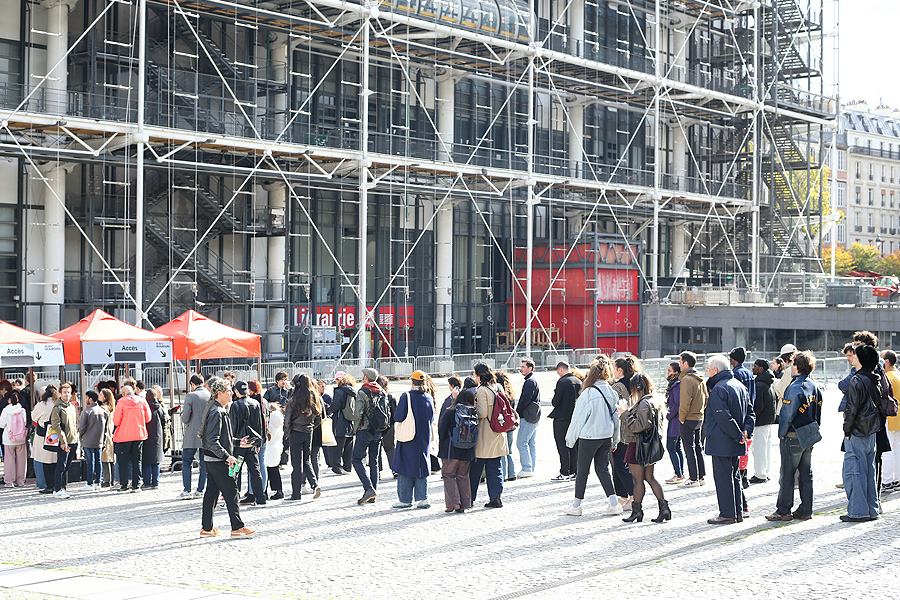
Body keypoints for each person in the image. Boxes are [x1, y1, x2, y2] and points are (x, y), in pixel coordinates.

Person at [766, 351, 822, 522]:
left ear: (796, 366)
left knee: (787, 474)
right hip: (809, 433)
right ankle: (806, 509)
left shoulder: (794, 386)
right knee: (806, 473)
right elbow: (818, 411)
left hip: (793, 435)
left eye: (792, 363)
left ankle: (783, 510)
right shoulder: (813, 385)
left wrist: (782, 434)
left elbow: (786, 414)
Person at [564, 357, 622, 516]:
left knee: (582, 470)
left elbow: (578, 419)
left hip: (589, 437)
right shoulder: (612, 392)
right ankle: (614, 503)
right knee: (603, 469)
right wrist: (615, 439)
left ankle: (576, 505)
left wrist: (570, 440)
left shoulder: (588, 393)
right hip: (606, 436)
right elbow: (616, 419)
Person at [703, 354, 755, 524]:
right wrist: (746, 431)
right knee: (735, 476)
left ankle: (727, 513)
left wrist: (738, 434)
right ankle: (737, 511)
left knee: (724, 478)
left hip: (723, 440)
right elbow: (750, 412)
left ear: (716, 370)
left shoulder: (719, 388)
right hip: (734, 439)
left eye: (708, 369)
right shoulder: (739, 385)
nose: (707, 372)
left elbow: (723, 417)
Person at [200, 378, 255, 538]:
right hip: (218, 460)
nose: (232, 393)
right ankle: (237, 527)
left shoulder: (218, 409)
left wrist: (238, 442)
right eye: (229, 390)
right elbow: (212, 440)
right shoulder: (217, 411)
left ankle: (207, 528)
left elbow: (221, 437)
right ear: (219, 393)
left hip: (212, 459)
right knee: (232, 492)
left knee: (211, 493)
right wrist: (227, 456)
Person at [620, 372, 670, 523]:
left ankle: (637, 511)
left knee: (638, 479)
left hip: (638, 445)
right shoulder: (654, 400)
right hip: (648, 446)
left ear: (639, 386)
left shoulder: (644, 403)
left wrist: (625, 414)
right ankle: (664, 509)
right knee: (649, 477)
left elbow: (639, 426)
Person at [841, 344, 882, 522]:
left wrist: (847, 430)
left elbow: (852, 409)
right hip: (871, 430)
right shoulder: (874, 378)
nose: (853, 357)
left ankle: (858, 512)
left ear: (861, 359)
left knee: (854, 471)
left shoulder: (857, 380)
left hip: (857, 431)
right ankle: (872, 509)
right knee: (868, 470)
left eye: (855, 355)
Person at [392, 371, 435, 509]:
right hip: (424, 437)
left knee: (404, 466)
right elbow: (432, 417)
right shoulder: (428, 397)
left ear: (412, 382)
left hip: (409, 436)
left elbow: (398, 416)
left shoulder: (407, 396)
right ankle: (423, 498)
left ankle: (405, 499)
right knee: (421, 465)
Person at [469, 363, 508, 508]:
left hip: (485, 434)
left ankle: (469, 499)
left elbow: (483, 413)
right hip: (497, 433)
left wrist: (472, 411)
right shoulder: (496, 387)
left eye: (474, 373)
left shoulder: (482, 390)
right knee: (495, 468)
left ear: (479, 375)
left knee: (476, 469)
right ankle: (496, 498)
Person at [283, 374, 323, 501]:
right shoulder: (314, 397)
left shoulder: (293, 399)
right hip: (308, 432)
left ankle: (296, 494)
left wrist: (287, 434)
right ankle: (314, 484)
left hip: (296, 432)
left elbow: (287, 420)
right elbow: (318, 417)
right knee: (306, 461)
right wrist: (311, 427)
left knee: (296, 464)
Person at [438, 380, 475, 513]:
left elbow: (442, 431)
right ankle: (465, 503)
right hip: (467, 450)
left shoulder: (451, 411)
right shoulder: (474, 413)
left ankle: (453, 502)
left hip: (451, 449)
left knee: (448, 474)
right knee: (463, 475)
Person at [352, 368, 385, 505]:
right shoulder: (382, 391)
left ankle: (368, 488)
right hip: (378, 430)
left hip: (365, 430)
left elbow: (358, 413)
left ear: (365, 377)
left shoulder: (363, 391)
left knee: (356, 459)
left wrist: (356, 429)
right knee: (374, 462)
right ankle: (373, 494)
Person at [231, 380, 266, 506]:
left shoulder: (234, 405)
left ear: (236, 391)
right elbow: (261, 425)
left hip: (239, 444)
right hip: (252, 443)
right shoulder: (256, 403)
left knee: (235, 471)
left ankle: (233, 497)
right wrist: (259, 443)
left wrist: (233, 442)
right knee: (255, 471)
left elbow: (232, 427)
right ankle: (260, 498)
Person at [113, 385, 152, 493]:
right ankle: (136, 485)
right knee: (137, 461)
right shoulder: (142, 401)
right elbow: (148, 418)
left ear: (124, 393)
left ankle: (124, 485)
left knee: (123, 462)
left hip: (124, 436)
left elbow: (116, 420)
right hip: (139, 435)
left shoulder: (121, 402)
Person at [610, 356, 638, 507]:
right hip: (631, 426)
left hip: (621, 430)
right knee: (619, 465)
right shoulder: (633, 383)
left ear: (620, 370)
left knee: (620, 465)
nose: (612, 372)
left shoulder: (617, 387)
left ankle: (633, 497)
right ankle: (622, 496)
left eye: (614, 368)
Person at [678, 351, 708, 488]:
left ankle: (693, 478)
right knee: (698, 447)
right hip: (699, 417)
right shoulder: (700, 378)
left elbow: (685, 401)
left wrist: (682, 417)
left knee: (689, 449)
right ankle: (701, 476)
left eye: (680, 362)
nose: (679, 365)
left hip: (688, 418)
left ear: (685, 363)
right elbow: (706, 397)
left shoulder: (686, 379)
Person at [548, 361, 582, 481]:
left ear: (561, 370)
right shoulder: (579, 381)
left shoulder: (562, 382)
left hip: (562, 418)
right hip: (575, 418)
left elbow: (555, 402)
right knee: (574, 445)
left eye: (558, 372)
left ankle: (564, 472)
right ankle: (574, 471)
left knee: (562, 445)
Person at [179, 374, 209, 499]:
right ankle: (200, 490)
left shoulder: (190, 396)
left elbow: (185, 418)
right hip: (206, 435)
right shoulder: (209, 395)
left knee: (187, 462)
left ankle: (187, 490)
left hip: (192, 435)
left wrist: (181, 416)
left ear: (192, 384)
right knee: (204, 464)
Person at [750, 358, 778, 484]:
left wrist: (753, 418)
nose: (753, 368)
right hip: (768, 419)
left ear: (761, 369)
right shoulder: (768, 381)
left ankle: (760, 474)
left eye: (755, 366)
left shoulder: (759, 384)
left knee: (759, 447)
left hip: (761, 421)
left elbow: (758, 405)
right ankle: (765, 471)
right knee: (765, 446)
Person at [50, 382, 79, 499]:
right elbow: (56, 425)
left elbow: (74, 424)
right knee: (61, 466)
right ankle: (57, 488)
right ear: (60, 393)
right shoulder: (57, 407)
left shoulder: (71, 407)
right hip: (64, 442)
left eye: (68, 392)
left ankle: (63, 487)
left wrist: (76, 438)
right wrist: (63, 441)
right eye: (65, 392)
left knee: (67, 466)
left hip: (73, 440)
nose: (67, 394)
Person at [77, 390, 108, 491]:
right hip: (99, 440)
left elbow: (82, 427)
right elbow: (106, 429)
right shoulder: (103, 412)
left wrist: (80, 437)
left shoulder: (86, 412)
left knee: (90, 462)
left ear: (90, 399)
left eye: (86, 398)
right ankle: (98, 482)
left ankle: (90, 483)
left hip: (88, 440)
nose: (86, 399)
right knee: (98, 461)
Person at [516, 358, 540, 479]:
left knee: (521, 442)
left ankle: (527, 468)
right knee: (531, 443)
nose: (521, 369)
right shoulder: (532, 380)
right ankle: (531, 467)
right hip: (533, 416)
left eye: (523, 367)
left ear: (530, 368)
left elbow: (525, 399)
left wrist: (517, 410)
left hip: (528, 416)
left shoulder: (530, 381)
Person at [328, 372, 356, 475]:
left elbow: (335, 406)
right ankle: (347, 467)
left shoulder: (340, 392)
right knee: (349, 447)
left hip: (340, 422)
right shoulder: (353, 391)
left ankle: (337, 468)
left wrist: (328, 410)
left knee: (337, 447)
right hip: (351, 422)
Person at [32, 386, 58, 493]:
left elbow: (34, 417)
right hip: (56, 434)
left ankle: (49, 485)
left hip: (44, 435)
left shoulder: (41, 404)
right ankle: (58, 485)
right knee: (56, 462)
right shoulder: (58, 403)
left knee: (46, 462)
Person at [0, 388, 28, 486]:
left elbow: (1, 424)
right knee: (21, 459)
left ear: (9, 400)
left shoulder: (5, 410)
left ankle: (9, 481)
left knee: (9, 459)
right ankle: (20, 481)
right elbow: (25, 422)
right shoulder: (22, 410)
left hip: (9, 438)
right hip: (20, 438)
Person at [881, 350, 900, 493]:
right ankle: (897, 480)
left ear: (886, 361)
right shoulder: (898, 374)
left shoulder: (886, 377)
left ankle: (886, 481)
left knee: (887, 451)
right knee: (897, 451)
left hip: (889, 417)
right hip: (899, 418)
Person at [140, 388, 166, 490]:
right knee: (156, 460)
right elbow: (164, 421)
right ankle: (155, 482)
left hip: (146, 435)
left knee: (146, 461)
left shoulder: (145, 407)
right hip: (157, 436)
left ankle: (146, 482)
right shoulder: (159, 407)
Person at [664, 361, 684, 484]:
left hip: (675, 420)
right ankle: (680, 473)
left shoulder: (676, 384)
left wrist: (668, 415)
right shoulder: (676, 383)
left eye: (670, 371)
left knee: (671, 447)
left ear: (676, 372)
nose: (668, 373)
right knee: (677, 447)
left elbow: (677, 404)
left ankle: (678, 474)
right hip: (677, 419)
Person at [494, 370, 517, 482]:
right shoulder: (510, 395)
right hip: (510, 425)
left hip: (502, 424)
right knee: (510, 451)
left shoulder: (498, 395)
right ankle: (512, 473)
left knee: (502, 451)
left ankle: (503, 475)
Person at [376, 375, 397, 477]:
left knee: (377, 448)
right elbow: (395, 414)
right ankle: (394, 469)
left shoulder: (373, 396)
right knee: (390, 447)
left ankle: (377, 471)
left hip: (376, 426)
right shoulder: (391, 397)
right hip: (389, 425)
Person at [264, 402, 285, 500]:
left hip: (269, 447)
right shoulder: (279, 421)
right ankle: (278, 490)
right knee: (274, 469)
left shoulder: (270, 422)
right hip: (277, 446)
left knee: (266, 470)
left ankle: (264, 490)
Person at [99, 389, 116, 488]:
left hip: (105, 435)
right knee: (110, 459)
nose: (99, 396)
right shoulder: (111, 408)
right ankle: (112, 479)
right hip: (111, 434)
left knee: (105, 459)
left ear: (105, 397)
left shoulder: (103, 408)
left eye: (101, 394)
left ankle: (107, 480)